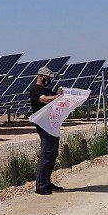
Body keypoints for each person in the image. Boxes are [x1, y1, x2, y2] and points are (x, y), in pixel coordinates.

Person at [28, 66, 64, 195]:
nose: (48, 80)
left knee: (52, 154)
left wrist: (61, 95)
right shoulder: (35, 90)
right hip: (43, 126)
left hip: (52, 125)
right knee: (47, 153)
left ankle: (47, 182)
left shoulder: (48, 90)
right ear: (40, 76)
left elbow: (58, 97)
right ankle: (40, 185)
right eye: (47, 78)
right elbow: (43, 99)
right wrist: (57, 97)